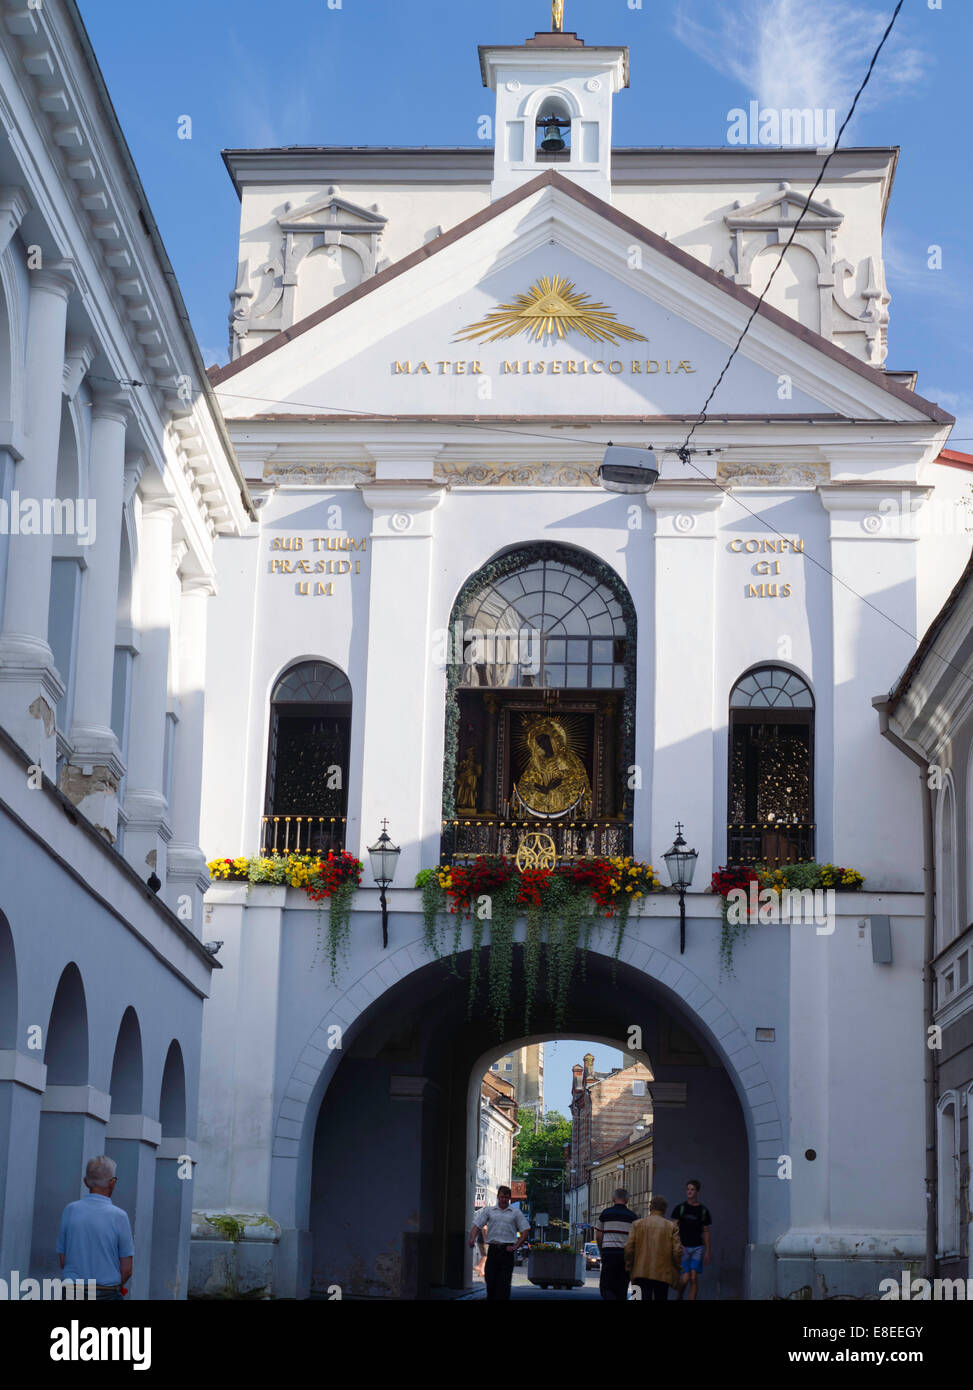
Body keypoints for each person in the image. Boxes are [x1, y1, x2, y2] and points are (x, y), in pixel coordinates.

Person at [57, 1155, 134, 1301]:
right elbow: (127, 1269)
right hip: (107, 1293)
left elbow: (63, 1260)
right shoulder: (120, 1217)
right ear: (112, 1183)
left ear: (86, 1182)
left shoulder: (70, 1210)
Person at [468, 1185, 529, 1300]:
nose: (504, 1200)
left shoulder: (515, 1213)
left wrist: (515, 1246)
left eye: (506, 1197)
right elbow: (477, 1225)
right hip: (493, 1250)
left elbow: (525, 1230)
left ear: (509, 1198)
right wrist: (472, 1239)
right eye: (502, 1197)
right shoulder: (489, 1211)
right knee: (490, 1280)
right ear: (498, 1197)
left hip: (507, 1251)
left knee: (504, 1283)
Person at [623, 1195, 682, 1300]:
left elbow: (629, 1247)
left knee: (641, 1297)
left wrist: (629, 1265)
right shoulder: (671, 1227)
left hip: (640, 1271)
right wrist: (678, 1268)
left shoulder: (637, 1224)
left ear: (650, 1207)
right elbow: (677, 1251)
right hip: (663, 1273)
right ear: (664, 1210)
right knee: (661, 1297)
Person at [594, 1186, 640, 1300]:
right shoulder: (632, 1217)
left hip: (609, 1254)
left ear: (613, 1199)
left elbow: (599, 1235)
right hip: (624, 1257)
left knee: (605, 1288)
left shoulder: (605, 1213)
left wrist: (601, 1251)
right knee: (622, 1289)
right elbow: (635, 1239)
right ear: (627, 1200)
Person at [671, 1179, 712, 1300]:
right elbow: (673, 1229)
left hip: (697, 1247)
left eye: (692, 1189)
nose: (689, 1192)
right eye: (688, 1189)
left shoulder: (703, 1211)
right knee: (684, 1278)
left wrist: (708, 1251)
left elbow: (706, 1231)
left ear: (697, 1191)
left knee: (694, 1278)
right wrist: (677, 1244)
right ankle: (680, 1295)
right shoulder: (680, 1208)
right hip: (683, 1248)